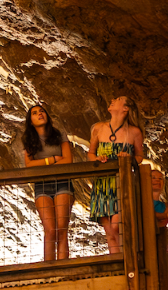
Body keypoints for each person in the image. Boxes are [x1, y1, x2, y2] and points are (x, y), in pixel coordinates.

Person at [87, 96, 144, 254]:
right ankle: (117, 261)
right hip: (102, 183)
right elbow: (90, 153)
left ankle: (125, 260)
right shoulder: (98, 128)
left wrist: (129, 158)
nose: (111, 99)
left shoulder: (134, 132)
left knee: (117, 226)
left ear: (125, 108)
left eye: (118, 99)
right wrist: (97, 159)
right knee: (110, 233)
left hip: (122, 183)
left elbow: (140, 157)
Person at [21, 104, 74, 261]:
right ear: (30, 121)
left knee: (62, 229)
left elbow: (68, 160)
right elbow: (29, 165)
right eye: (35, 113)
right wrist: (51, 160)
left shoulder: (58, 135)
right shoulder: (29, 140)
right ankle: (49, 269)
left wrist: (44, 166)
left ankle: (64, 268)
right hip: (42, 185)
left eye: (42, 111)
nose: (39, 114)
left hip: (63, 182)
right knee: (50, 230)